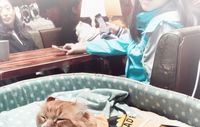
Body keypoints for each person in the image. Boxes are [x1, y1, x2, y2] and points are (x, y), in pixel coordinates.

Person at [63, 0, 199, 82]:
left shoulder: (162, 24)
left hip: (144, 97)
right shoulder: (173, 16)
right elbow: (129, 43)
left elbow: (156, 81)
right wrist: (85, 46)